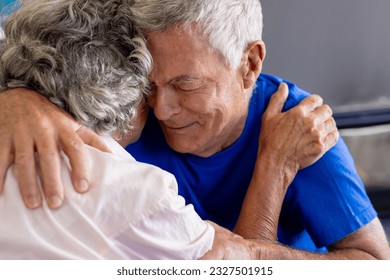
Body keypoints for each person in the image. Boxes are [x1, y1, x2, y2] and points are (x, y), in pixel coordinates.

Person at [0, 0, 388, 259]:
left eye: (187, 85)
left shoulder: (296, 129)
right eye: (149, 84)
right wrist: (16, 98)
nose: (162, 109)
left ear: (249, 64)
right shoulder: (122, 112)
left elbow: (374, 262)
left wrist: (275, 168)